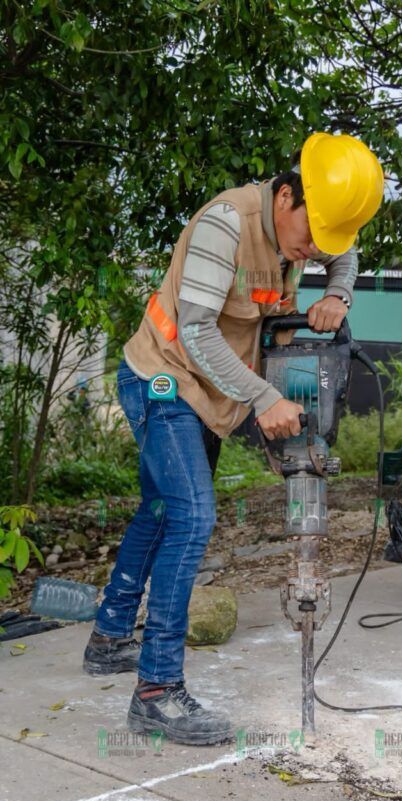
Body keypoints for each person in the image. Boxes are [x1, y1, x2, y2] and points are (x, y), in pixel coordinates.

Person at [82, 133, 384, 746]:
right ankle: (156, 692)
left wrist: (336, 292)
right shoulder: (227, 223)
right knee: (192, 518)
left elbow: (342, 257)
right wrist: (263, 396)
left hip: (209, 393)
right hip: (163, 380)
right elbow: (195, 331)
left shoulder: (310, 231)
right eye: (310, 240)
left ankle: (109, 635)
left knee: (161, 509)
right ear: (285, 196)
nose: (314, 252)